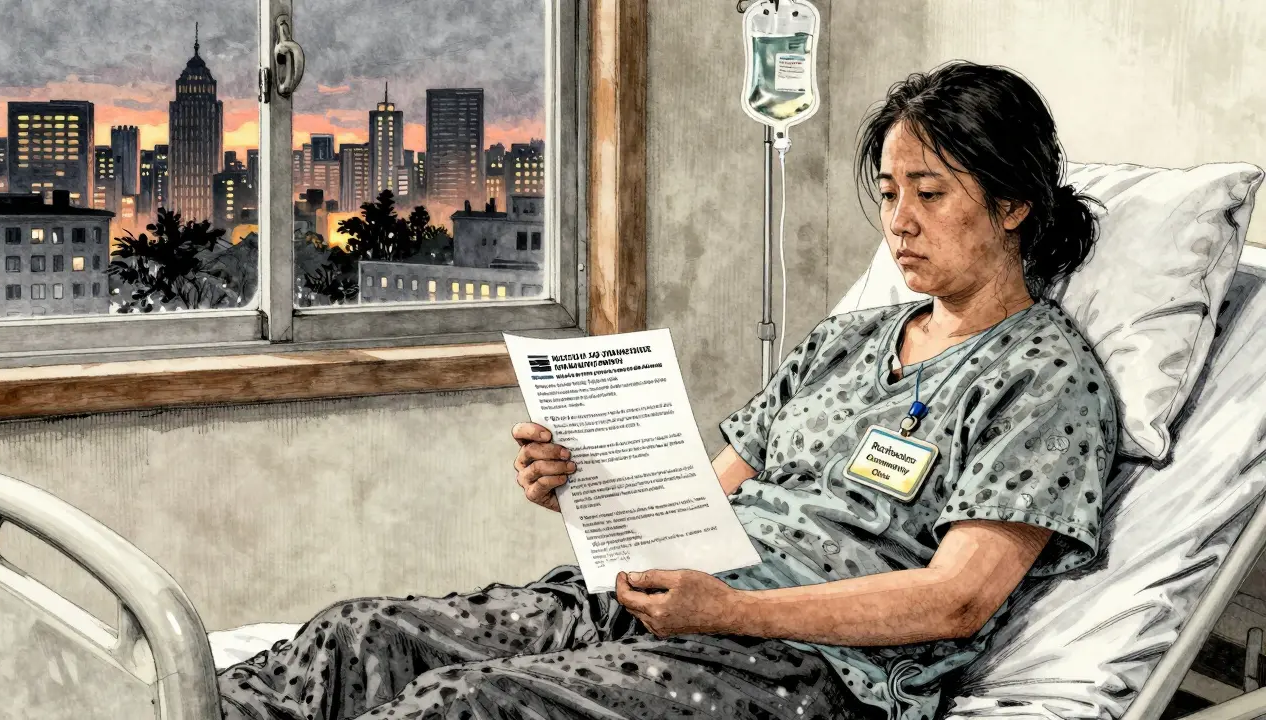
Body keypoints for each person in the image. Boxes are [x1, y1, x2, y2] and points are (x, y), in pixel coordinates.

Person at [217, 60, 1118, 720]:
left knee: (468, 706)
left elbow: (954, 599)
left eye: (929, 192)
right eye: (887, 193)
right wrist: (584, 488)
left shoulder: (1043, 380)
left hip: (799, 665)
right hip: (655, 601)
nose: (899, 222)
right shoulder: (848, 341)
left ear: (1011, 204)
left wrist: (731, 610)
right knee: (359, 635)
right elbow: (700, 498)